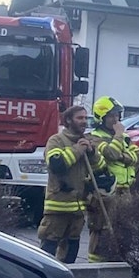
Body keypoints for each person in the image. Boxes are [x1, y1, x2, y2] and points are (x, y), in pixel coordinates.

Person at [39, 104, 104, 263]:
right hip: (58, 207)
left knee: (71, 249)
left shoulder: (86, 142)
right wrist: (77, 149)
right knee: (48, 248)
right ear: (68, 120)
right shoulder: (56, 140)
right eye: (79, 118)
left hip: (78, 208)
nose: (83, 121)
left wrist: (91, 152)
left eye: (85, 118)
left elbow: (100, 168)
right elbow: (56, 164)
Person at [87, 95, 139, 262]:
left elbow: (138, 155)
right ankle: (95, 268)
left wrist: (123, 155)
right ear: (100, 118)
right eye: (111, 116)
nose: (116, 119)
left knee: (125, 229)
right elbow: (111, 154)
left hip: (125, 190)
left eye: (117, 115)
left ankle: (119, 262)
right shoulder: (94, 137)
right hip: (107, 192)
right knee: (101, 230)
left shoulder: (123, 137)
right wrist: (118, 137)